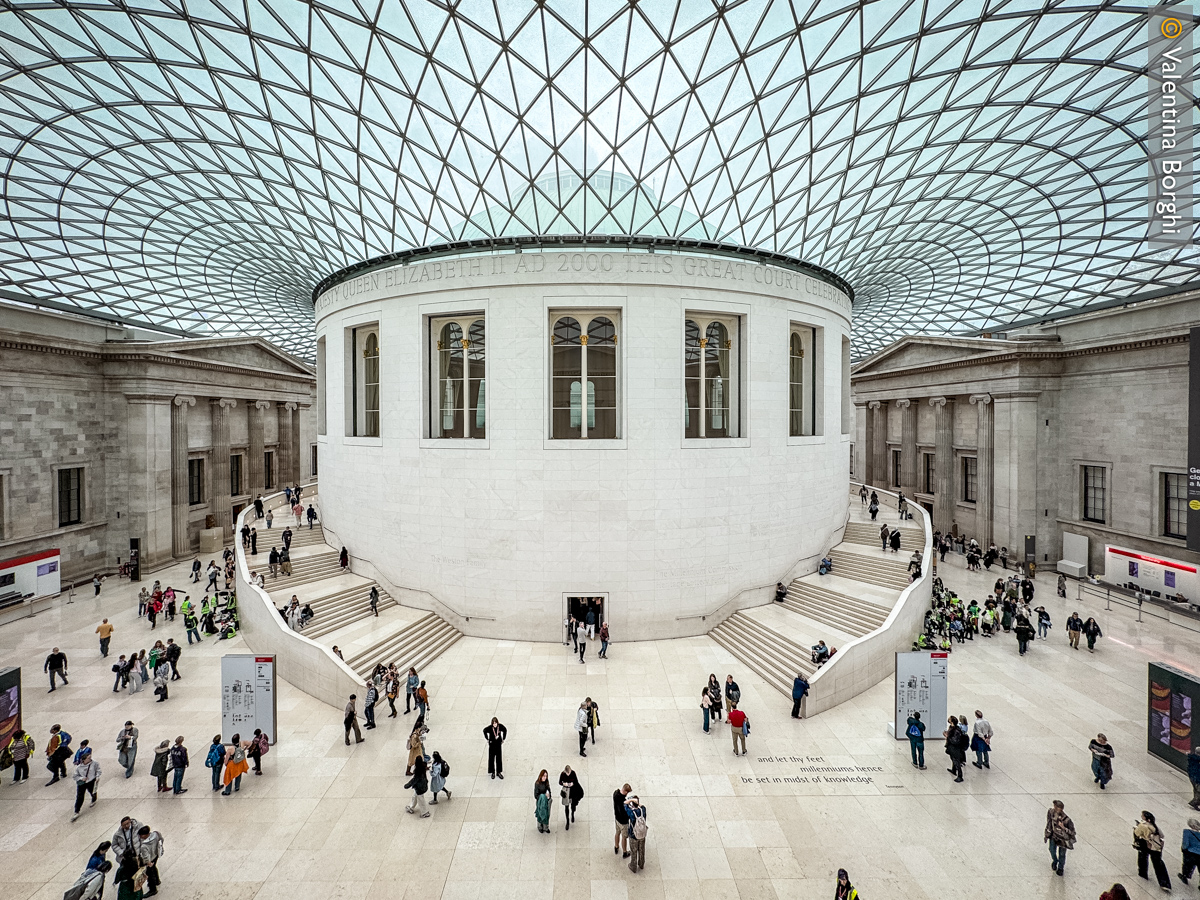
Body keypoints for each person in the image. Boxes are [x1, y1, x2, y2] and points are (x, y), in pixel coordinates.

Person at [1134, 810, 1172, 891]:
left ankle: (1143, 873)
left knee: (1142, 858)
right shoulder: (1155, 826)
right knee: (1158, 863)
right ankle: (1164, 883)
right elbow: (1162, 835)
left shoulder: (1142, 825)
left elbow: (1137, 833)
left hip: (1145, 843)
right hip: (1156, 846)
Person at [1044, 799, 1075, 876]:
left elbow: (1072, 832)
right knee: (1051, 850)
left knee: (1062, 854)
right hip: (1053, 836)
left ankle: (1060, 868)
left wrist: (1064, 828)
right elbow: (1049, 823)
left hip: (1063, 839)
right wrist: (1047, 834)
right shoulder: (1051, 812)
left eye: (1057, 807)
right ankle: (1055, 861)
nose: (1054, 808)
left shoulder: (1067, 820)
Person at [134, 825, 164, 897]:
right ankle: (157, 881)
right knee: (154, 868)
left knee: (150, 874)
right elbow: (161, 839)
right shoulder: (156, 834)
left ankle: (153, 889)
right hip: (155, 855)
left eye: (141, 835)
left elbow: (146, 856)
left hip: (149, 860)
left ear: (145, 835)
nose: (140, 837)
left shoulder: (144, 846)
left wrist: (148, 863)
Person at [71, 747, 101, 820]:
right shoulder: (79, 767)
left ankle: (94, 799)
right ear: (84, 760)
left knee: (92, 791)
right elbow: (75, 776)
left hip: (91, 781)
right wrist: (81, 778)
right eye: (88, 758)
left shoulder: (94, 763)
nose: (90, 758)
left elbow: (98, 770)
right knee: (80, 797)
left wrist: (97, 777)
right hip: (82, 783)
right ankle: (77, 811)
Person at [626, 794, 648, 872]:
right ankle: (641, 864)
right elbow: (643, 806)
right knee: (642, 850)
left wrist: (630, 800)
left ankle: (633, 866)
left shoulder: (631, 813)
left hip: (633, 835)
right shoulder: (643, 810)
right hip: (642, 834)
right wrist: (637, 802)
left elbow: (625, 804)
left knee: (634, 851)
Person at [559, 764, 583, 829]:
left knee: (573, 805)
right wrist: (564, 784)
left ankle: (572, 814)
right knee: (566, 807)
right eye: (567, 773)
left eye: (569, 772)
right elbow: (560, 782)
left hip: (573, 791)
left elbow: (576, 781)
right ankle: (567, 821)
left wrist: (572, 783)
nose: (568, 774)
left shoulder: (573, 773)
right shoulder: (562, 774)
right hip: (566, 791)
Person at [943, 716, 967, 782]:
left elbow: (955, 741)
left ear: (952, 721)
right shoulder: (952, 728)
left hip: (955, 748)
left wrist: (947, 737)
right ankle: (953, 770)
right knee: (952, 758)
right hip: (951, 747)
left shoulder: (956, 730)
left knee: (956, 761)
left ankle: (960, 775)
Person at [613, 783, 632, 857]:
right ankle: (625, 852)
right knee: (624, 837)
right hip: (623, 822)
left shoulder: (615, 793)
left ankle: (616, 847)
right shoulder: (623, 802)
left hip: (617, 819)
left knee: (617, 833)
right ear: (626, 792)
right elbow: (624, 813)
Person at [1181, 817, 1200, 884]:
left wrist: (1183, 849)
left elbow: (1185, 843)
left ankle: (1185, 877)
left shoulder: (1187, 832)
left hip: (1190, 852)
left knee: (1187, 865)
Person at [1188, 743, 1200, 810]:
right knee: (1198, 790)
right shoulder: (1196, 760)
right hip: (1196, 778)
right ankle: (1195, 802)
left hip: (1193, 777)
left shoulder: (1192, 759)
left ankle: (1195, 802)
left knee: (1196, 790)